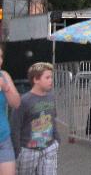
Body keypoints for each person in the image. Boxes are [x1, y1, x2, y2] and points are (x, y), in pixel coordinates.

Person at [11, 62, 59, 175]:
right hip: (28, 150)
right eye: (47, 77)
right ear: (36, 80)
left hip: (49, 147)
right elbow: (15, 126)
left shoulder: (51, 97)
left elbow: (53, 118)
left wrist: (56, 139)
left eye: (51, 77)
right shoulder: (24, 101)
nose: (51, 80)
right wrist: (17, 150)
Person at [0, 46, 20, 175]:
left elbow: (16, 103)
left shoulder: (4, 75)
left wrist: (6, 87)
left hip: (3, 140)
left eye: (1, 56)